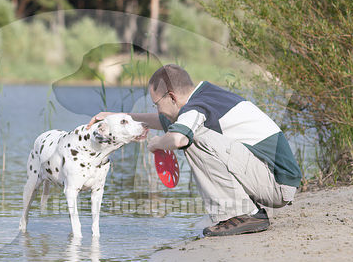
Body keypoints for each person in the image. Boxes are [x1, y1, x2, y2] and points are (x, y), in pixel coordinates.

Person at [87, 64, 302, 236]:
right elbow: (163, 120)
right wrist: (115, 117)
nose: (157, 109)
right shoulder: (205, 96)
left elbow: (179, 138)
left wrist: (156, 143)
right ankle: (243, 211)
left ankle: (244, 214)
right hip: (273, 177)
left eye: (157, 103)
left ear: (171, 97)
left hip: (276, 184)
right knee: (190, 131)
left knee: (192, 136)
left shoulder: (195, 108)